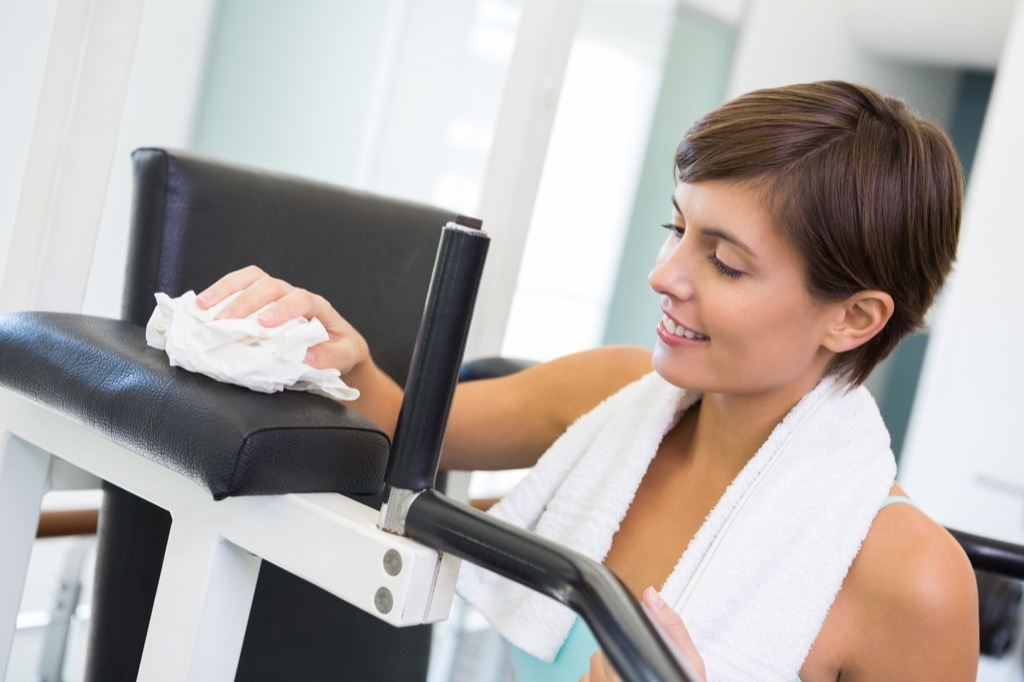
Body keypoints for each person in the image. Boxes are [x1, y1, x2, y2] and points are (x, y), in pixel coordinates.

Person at [197, 81, 978, 680]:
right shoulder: (616, 394)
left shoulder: (914, 581)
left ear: (853, 319)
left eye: (727, 261)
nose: (663, 275)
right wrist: (343, 356)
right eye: (677, 228)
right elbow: (411, 431)